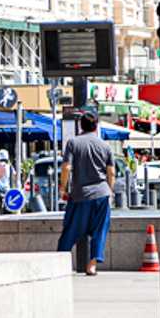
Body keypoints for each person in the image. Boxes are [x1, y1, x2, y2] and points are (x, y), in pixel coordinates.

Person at [57, 111, 117, 275]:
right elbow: (111, 172)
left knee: (71, 229)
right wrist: (109, 190)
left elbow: (66, 167)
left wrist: (63, 187)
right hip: (101, 194)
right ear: (96, 125)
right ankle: (92, 265)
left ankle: (60, 261)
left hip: (80, 194)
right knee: (99, 230)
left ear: (80, 125)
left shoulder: (73, 143)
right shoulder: (105, 146)